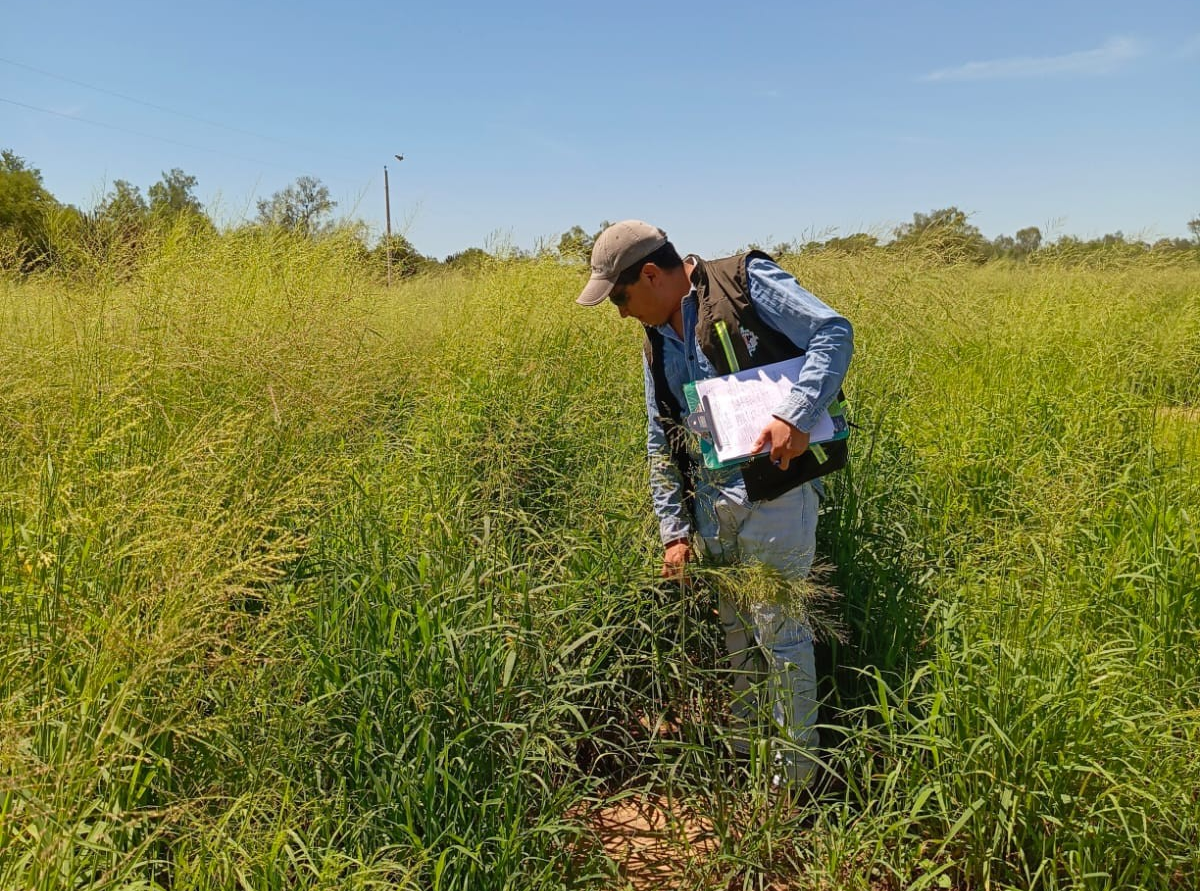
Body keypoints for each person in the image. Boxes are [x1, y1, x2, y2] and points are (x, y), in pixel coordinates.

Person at [576, 220, 853, 788]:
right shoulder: (656, 338)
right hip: (711, 509)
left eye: (621, 299)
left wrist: (794, 415)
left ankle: (793, 784)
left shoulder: (745, 281)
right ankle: (752, 760)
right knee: (736, 637)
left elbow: (832, 332)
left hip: (775, 494)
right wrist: (674, 531)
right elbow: (662, 435)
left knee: (782, 637)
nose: (622, 315)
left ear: (651, 275)